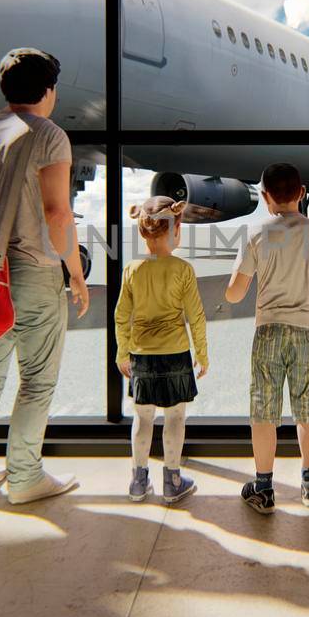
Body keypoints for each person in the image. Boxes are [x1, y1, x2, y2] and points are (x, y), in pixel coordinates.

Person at [0, 47, 90, 504]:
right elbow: (57, 213)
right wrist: (75, 271)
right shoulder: (50, 134)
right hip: (34, 271)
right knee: (36, 380)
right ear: (49, 91)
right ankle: (25, 477)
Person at [225, 163, 309, 513]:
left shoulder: (255, 234)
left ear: (265, 197)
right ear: (301, 192)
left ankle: (263, 487)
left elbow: (234, 294)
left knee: (264, 410)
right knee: (308, 407)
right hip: (308, 330)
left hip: (268, 330)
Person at [115, 197, 207, 504]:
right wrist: (202, 354)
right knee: (175, 417)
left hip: (141, 355)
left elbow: (121, 316)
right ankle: (173, 480)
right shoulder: (183, 269)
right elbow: (195, 316)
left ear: (143, 231)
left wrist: (122, 353)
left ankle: (138, 482)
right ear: (176, 229)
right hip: (176, 354)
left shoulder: (132, 269)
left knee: (142, 419)